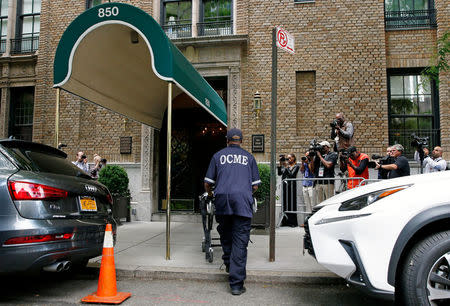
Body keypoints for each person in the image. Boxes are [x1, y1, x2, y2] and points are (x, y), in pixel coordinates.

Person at [204, 128, 260, 296]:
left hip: (222, 200)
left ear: (227, 140)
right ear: (241, 141)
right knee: (240, 241)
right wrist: (244, 192)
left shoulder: (217, 156)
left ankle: (229, 263)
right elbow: (255, 185)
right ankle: (236, 284)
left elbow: (207, 183)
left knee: (226, 234)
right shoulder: (249, 157)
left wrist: (212, 194)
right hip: (242, 202)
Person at [277, 153, 300, 227]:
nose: (288, 159)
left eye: (289, 158)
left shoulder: (296, 166)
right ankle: (285, 221)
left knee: (292, 204)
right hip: (285, 187)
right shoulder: (285, 166)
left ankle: (292, 222)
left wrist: (286, 167)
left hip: (292, 187)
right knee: (285, 204)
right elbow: (279, 173)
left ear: (293, 158)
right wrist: (280, 164)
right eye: (287, 158)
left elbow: (292, 175)